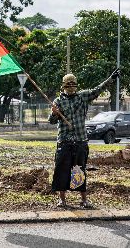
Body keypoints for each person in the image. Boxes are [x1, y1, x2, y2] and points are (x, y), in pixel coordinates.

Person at [48, 68, 120, 208]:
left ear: (76, 86)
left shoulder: (83, 96)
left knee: (79, 170)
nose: (71, 89)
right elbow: (51, 121)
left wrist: (111, 78)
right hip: (64, 141)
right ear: (63, 87)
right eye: (68, 86)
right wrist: (54, 113)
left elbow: (97, 90)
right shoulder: (58, 101)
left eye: (73, 86)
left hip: (80, 141)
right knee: (61, 170)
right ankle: (62, 200)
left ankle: (83, 200)